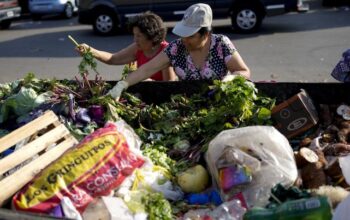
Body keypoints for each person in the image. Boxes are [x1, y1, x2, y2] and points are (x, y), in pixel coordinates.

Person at [107, 3, 251, 100]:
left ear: (205, 34)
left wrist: (230, 80)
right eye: (183, 35)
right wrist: (122, 85)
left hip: (220, 103)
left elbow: (243, 71)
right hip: (188, 106)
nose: (185, 40)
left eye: (191, 36)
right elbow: (146, 70)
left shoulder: (221, 44)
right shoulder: (176, 49)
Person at [76, 11, 176, 81]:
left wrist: (148, 81)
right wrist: (91, 51)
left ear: (152, 36)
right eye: (134, 35)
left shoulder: (165, 52)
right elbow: (113, 59)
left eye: (139, 36)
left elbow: (170, 84)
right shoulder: (138, 48)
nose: (135, 40)